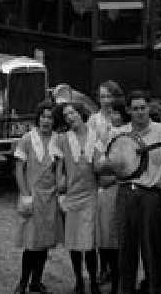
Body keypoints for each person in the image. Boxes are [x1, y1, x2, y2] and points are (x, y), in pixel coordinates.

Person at [105, 90, 161, 294]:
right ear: (128, 110)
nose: (140, 112)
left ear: (149, 108)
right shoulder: (118, 134)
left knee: (153, 250)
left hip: (152, 195)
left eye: (143, 108)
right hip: (126, 192)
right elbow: (103, 165)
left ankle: (155, 289)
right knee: (126, 250)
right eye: (135, 109)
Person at [15, 100, 64, 294]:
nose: (46, 120)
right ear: (38, 118)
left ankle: (37, 281)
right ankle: (22, 282)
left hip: (50, 198)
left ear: (54, 120)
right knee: (31, 243)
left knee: (44, 243)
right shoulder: (27, 139)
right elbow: (19, 169)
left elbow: (60, 168)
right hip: (33, 197)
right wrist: (25, 194)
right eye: (43, 116)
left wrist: (61, 190)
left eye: (50, 117)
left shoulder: (58, 140)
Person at [54, 101, 102, 294]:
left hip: (90, 194)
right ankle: (79, 281)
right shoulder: (63, 139)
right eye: (66, 116)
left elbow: (100, 163)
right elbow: (58, 166)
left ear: (81, 113)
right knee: (74, 242)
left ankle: (94, 281)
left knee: (89, 243)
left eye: (72, 112)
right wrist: (59, 186)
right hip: (72, 195)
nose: (70, 117)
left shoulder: (95, 135)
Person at [95, 103, 129, 291]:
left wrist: (114, 176)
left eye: (118, 112)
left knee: (117, 236)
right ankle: (106, 271)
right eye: (112, 112)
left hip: (119, 189)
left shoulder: (127, 135)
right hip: (105, 191)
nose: (114, 115)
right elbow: (97, 159)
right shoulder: (106, 134)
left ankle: (119, 280)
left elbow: (129, 165)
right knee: (104, 235)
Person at [91, 81, 127, 147]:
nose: (106, 100)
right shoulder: (93, 119)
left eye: (109, 96)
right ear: (98, 98)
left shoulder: (122, 116)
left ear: (115, 98)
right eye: (102, 97)